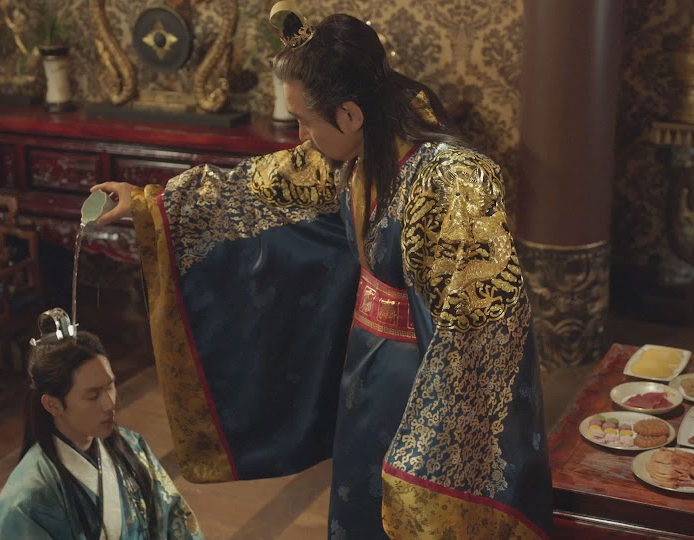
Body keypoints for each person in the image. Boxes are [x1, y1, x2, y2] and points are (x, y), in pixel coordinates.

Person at [92, 5, 551, 539]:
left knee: (405, 507)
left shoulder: (453, 181)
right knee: (358, 503)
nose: (302, 136)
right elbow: (264, 183)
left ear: (350, 114)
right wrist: (151, 202)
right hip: (368, 368)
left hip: (420, 383)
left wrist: (431, 443)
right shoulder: (361, 147)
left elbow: (478, 329)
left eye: (306, 121)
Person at [0, 321, 203, 539]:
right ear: (53, 405)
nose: (110, 403)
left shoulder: (132, 446)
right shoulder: (26, 500)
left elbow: (176, 520)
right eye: (93, 395)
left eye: (110, 387)